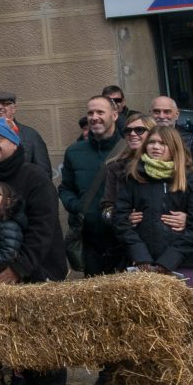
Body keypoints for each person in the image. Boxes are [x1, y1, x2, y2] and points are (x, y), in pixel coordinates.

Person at [0, 119, 69, 385]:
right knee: (16, 339)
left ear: (15, 143)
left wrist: (19, 268)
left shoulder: (35, 177)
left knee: (44, 338)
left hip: (38, 268)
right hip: (0, 270)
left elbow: (44, 228)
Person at [110, 125, 193, 284]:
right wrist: (140, 254)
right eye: (152, 142)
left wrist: (171, 258)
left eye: (163, 143)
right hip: (140, 265)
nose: (156, 147)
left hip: (180, 265)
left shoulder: (191, 179)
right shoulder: (132, 177)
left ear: (174, 147)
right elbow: (120, 219)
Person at [61, 94, 127, 274]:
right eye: (90, 113)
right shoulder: (74, 151)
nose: (94, 117)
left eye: (100, 112)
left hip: (125, 240)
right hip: (90, 241)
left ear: (114, 115)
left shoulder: (129, 150)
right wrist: (78, 206)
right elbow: (65, 188)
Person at [0, 92, 50, 175]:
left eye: (5, 104)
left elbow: (44, 172)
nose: (0, 107)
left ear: (14, 108)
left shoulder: (30, 135)